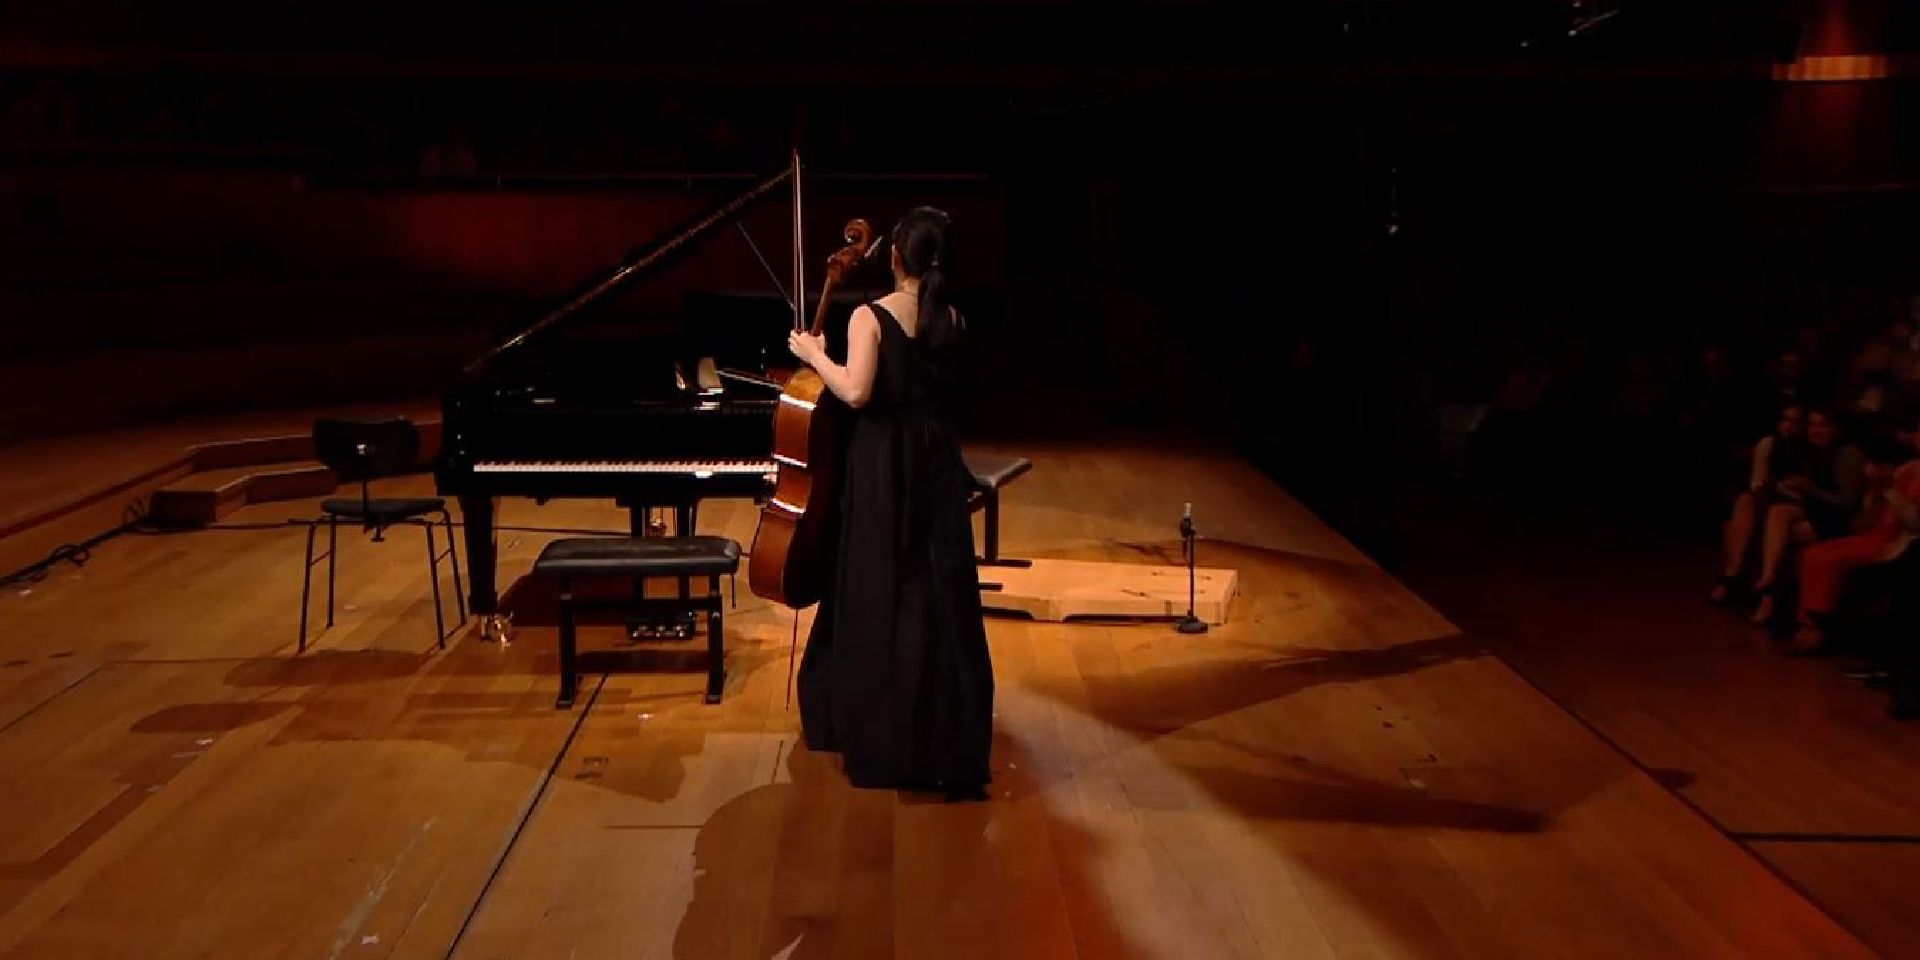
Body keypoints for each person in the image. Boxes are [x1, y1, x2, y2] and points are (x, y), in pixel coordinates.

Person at [783, 207, 994, 800]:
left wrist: (813, 354)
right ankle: (940, 741)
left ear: (896, 256)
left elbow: (855, 391)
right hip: (936, 466)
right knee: (936, 593)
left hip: (882, 469)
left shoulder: (868, 316)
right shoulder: (951, 317)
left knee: (881, 589)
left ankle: (884, 742)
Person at [1787, 425, 1920, 653]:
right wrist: (1875, 490)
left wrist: (1890, 491)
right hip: (1874, 533)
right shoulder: (1906, 468)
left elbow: (1914, 522)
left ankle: (1816, 633)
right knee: (1814, 553)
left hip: (1899, 541)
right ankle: (1807, 626)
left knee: (1829, 561)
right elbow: (1866, 519)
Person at [1749, 407, 1867, 624]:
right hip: (1816, 510)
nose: (1815, 430)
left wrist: (1808, 488)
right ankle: (1768, 579)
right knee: (1777, 511)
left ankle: (1770, 596)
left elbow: (1846, 502)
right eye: (1812, 425)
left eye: (1823, 425)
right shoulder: (1812, 451)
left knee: (1781, 534)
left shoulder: (1848, 454)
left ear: (1837, 429)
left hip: (1839, 518)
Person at [1711, 402, 1806, 605]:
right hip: (1769, 495)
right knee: (1745, 501)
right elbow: (1758, 482)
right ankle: (1731, 575)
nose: (1789, 426)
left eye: (1795, 421)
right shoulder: (1769, 444)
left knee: (1769, 510)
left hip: (1795, 502)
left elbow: (1805, 489)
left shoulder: (1808, 449)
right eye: (1785, 420)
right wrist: (1774, 487)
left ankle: (1759, 585)